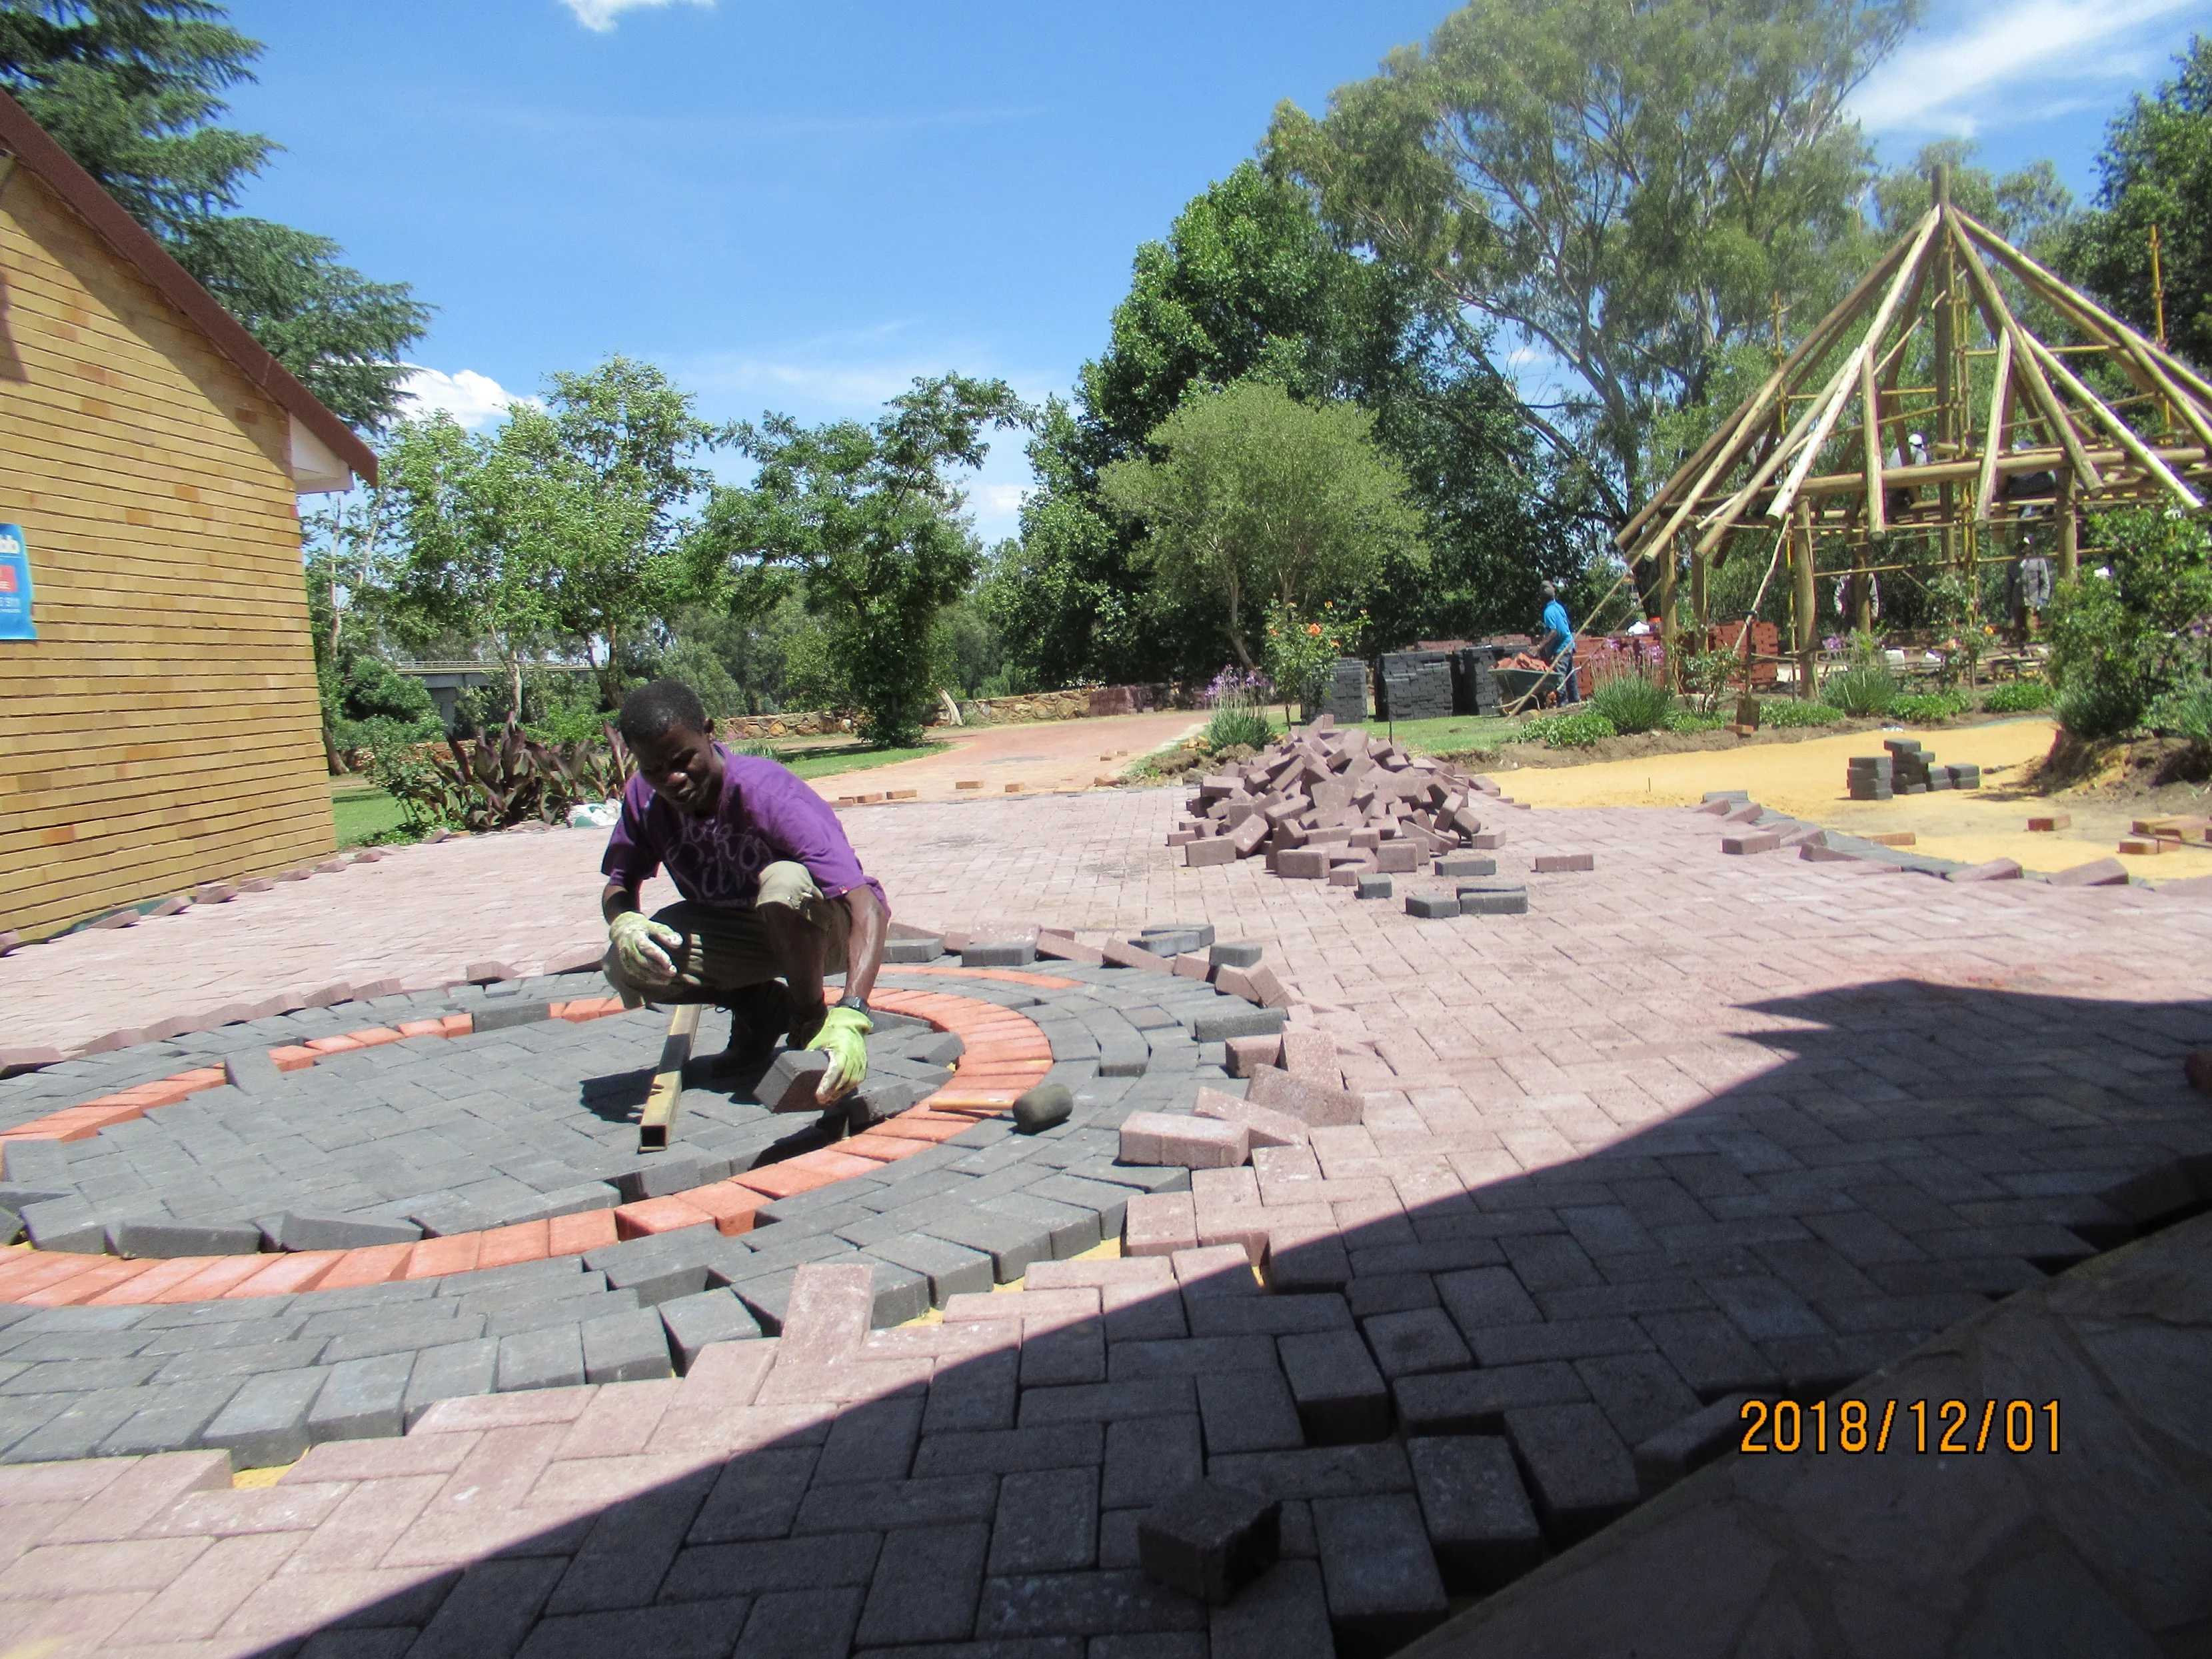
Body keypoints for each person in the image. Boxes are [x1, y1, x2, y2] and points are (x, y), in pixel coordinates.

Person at [598, 678, 889, 1108]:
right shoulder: (643, 798)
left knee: (784, 882)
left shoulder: (766, 791)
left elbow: (865, 904)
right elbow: (619, 883)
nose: (671, 779)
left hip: (820, 931)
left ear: (709, 732)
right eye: (653, 768)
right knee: (625, 965)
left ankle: (810, 1018)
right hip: (744, 937)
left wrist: (853, 1011)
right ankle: (760, 1006)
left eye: (683, 760)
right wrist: (624, 922)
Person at [1537, 582, 1580, 703]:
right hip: (1569, 644)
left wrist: (1540, 647)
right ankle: (1575, 701)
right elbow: (1567, 625)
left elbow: (1554, 632)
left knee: (1560, 678)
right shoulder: (1559, 608)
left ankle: (1563, 703)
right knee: (1570, 676)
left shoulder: (1549, 612)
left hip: (1562, 647)